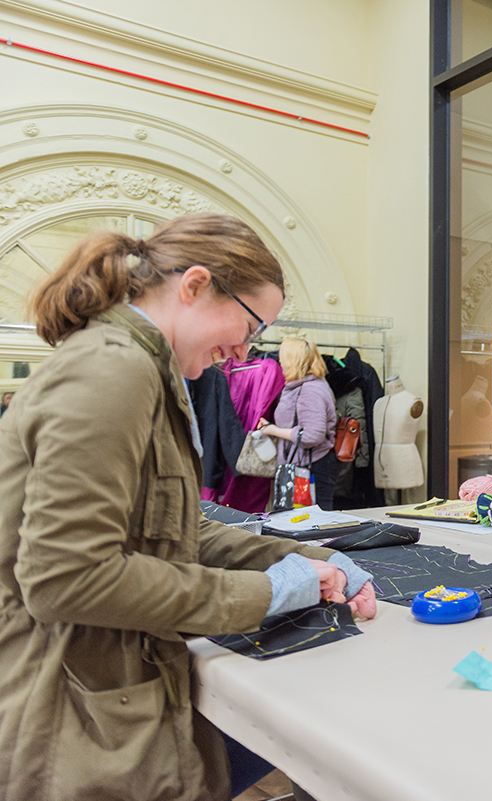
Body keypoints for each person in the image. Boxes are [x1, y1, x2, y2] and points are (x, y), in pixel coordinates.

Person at [0, 212, 377, 801]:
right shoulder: (114, 370)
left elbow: (176, 529)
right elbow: (64, 578)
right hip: (73, 711)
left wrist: (308, 556)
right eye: (253, 325)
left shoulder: (145, 367)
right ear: (196, 284)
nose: (245, 350)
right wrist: (269, 593)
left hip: (114, 685)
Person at [259, 337, 338, 510]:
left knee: (309, 526)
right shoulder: (301, 386)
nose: (279, 361)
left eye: (283, 357)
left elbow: (312, 435)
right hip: (301, 466)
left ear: (293, 361)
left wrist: (273, 430)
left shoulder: (310, 390)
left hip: (310, 469)